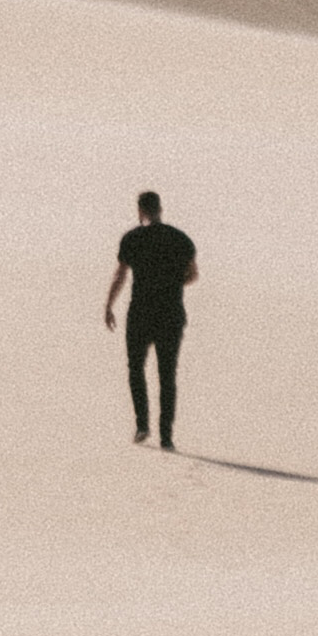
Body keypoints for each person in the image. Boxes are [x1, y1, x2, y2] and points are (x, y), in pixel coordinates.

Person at [102, 190, 197, 449]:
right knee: (167, 375)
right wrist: (172, 282)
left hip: (141, 313)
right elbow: (193, 275)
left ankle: (142, 425)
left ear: (140, 210)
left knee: (136, 368)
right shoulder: (180, 240)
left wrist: (109, 304)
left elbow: (120, 275)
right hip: (171, 313)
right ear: (160, 209)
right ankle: (166, 437)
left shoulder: (132, 239)